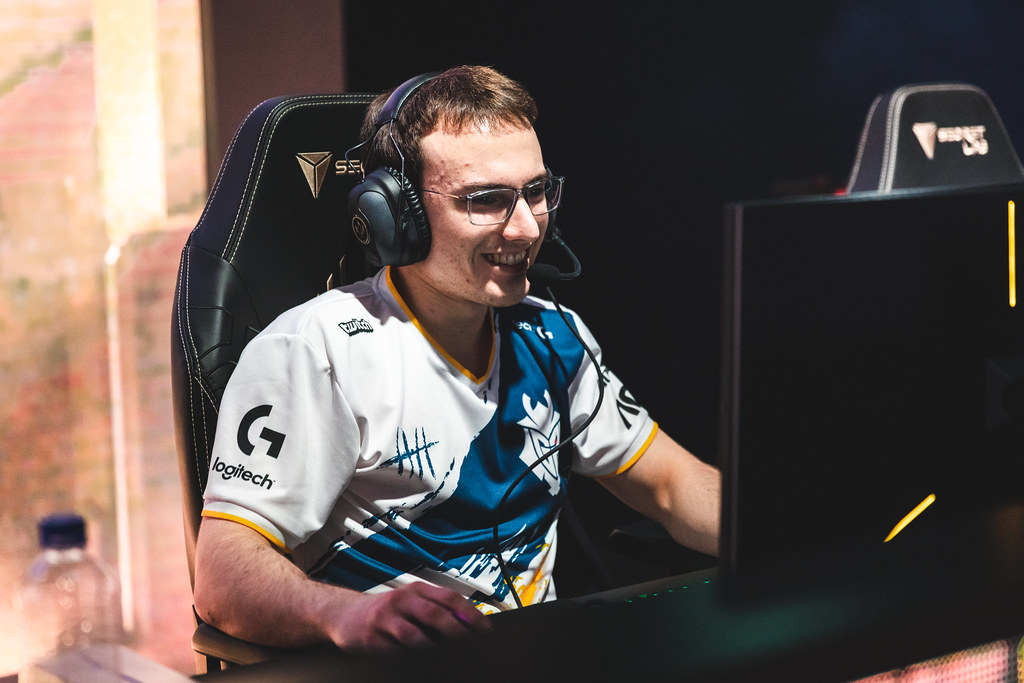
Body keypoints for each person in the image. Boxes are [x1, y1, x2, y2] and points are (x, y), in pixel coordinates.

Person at [192, 65, 721, 655]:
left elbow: (671, 486)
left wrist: (784, 534)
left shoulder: (554, 334)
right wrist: (344, 614)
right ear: (398, 214)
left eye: (536, 192)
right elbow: (221, 575)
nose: (526, 229)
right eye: (486, 200)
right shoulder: (317, 351)